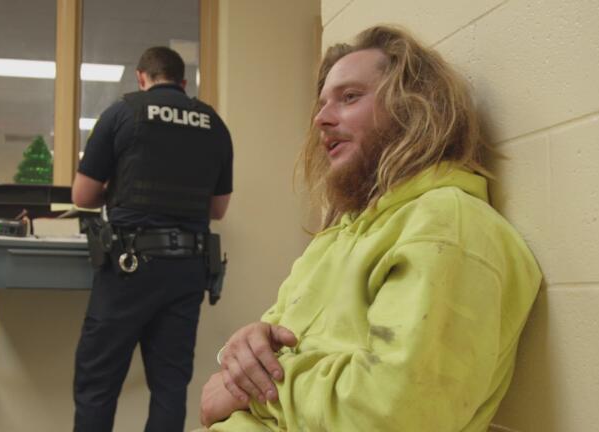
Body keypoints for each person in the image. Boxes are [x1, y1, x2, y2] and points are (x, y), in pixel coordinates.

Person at [199, 25, 541, 431]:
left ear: (415, 107)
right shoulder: (337, 235)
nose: (321, 119)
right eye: (322, 104)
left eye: (349, 97)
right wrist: (244, 351)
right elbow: (267, 350)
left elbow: (390, 414)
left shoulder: (448, 225)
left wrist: (250, 391)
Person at [72, 46, 233, 432]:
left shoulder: (122, 113)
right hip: (187, 270)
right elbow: (218, 209)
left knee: (98, 385)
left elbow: (82, 196)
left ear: (142, 77)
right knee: (169, 388)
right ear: (183, 82)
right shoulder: (213, 124)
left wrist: (117, 190)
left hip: (128, 266)